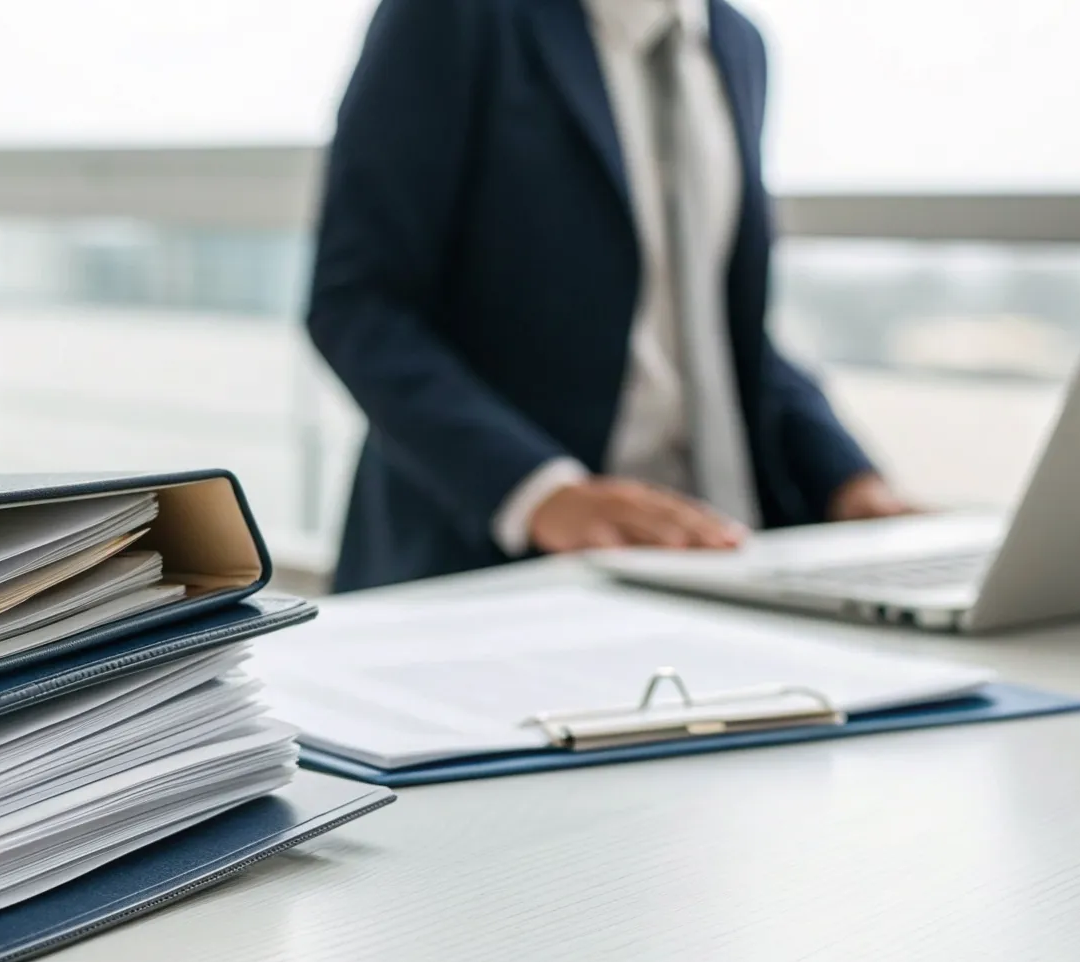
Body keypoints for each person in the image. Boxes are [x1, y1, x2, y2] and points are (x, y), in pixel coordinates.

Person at [307, 0, 913, 592]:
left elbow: (710, 330)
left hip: (728, 556)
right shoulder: (455, 15)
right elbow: (358, 305)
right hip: (499, 568)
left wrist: (849, 479)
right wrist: (544, 492)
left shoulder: (738, 43)